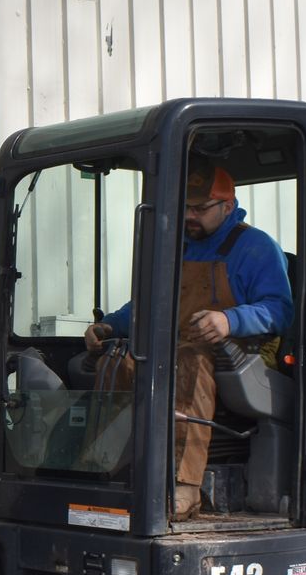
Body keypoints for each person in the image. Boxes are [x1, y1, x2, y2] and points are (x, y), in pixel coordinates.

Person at [77, 161, 293, 520]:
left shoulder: (256, 247)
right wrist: (112, 327)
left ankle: (186, 486)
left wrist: (229, 319)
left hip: (244, 351)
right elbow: (148, 304)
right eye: (186, 207)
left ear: (227, 205)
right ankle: (106, 472)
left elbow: (280, 310)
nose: (190, 216)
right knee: (119, 360)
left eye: (200, 208)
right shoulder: (179, 246)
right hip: (178, 343)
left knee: (189, 362)